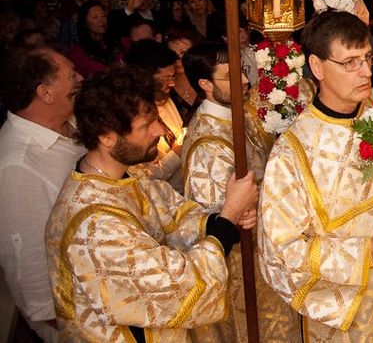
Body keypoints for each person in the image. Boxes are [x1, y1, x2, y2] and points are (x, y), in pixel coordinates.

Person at [258, 11, 373, 340]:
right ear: (317, 67)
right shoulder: (292, 153)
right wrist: (370, 252)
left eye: (367, 57)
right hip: (350, 319)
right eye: (350, 62)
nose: (365, 71)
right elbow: (281, 255)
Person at [45, 67, 259, 341]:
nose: (160, 130)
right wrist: (229, 218)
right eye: (146, 125)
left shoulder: (127, 177)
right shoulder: (93, 227)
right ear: (106, 136)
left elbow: (172, 215)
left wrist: (220, 219)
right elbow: (175, 286)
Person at [181, 40, 299, 342]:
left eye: (243, 71)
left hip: (269, 257)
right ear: (205, 84)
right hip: (246, 270)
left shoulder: (236, 109)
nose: (245, 81)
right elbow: (226, 220)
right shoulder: (209, 146)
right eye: (231, 77)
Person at [0, 48, 84, 342]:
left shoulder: (70, 125)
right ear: (45, 93)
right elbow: (30, 267)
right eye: (72, 75)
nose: (81, 78)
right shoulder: (17, 166)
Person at [124, 39, 186, 191]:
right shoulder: (130, 115)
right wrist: (176, 154)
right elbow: (142, 179)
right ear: (144, 77)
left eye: (173, 77)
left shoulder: (165, 99)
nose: (172, 84)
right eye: (166, 78)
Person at [69, 0, 124, 78]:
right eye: (95, 17)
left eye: (103, 16)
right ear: (84, 23)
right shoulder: (78, 52)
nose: (101, 20)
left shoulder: (118, 42)